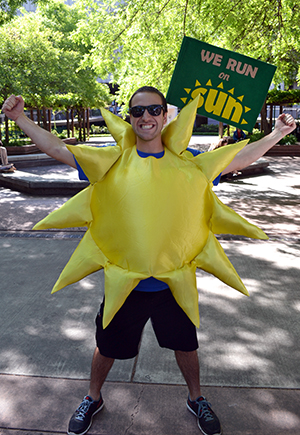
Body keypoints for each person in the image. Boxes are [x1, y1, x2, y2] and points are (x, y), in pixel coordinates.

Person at [2, 89, 296, 435]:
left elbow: (239, 159)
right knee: (107, 346)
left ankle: (196, 397)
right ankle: (93, 397)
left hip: (174, 282)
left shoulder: (190, 163)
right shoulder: (112, 162)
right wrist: (20, 118)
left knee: (186, 346)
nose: (146, 117)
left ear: (165, 116)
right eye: (138, 110)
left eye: (154, 109)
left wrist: (278, 134)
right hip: (127, 282)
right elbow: (56, 149)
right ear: (130, 117)